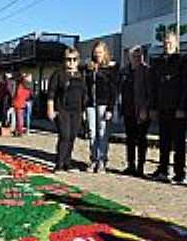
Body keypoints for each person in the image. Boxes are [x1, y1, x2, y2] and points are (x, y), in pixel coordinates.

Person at [148, 31, 187, 184]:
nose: (167, 45)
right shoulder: (158, 62)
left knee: (179, 143)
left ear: (176, 43)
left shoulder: (184, 61)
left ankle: (179, 173)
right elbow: (153, 86)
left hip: (178, 109)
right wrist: (153, 107)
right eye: (165, 42)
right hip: (163, 108)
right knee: (164, 142)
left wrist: (182, 107)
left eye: (170, 42)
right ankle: (163, 170)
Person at [47, 48, 87, 172]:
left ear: (77, 60)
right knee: (64, 135)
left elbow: (84, 94)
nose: (71, 62)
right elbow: (51, 93)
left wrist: (84, 111)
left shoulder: (81, 75)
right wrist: (50, 109)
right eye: (68, 59)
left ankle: (67, 163)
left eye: (74, 59)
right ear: (64, 60)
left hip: (77, 110)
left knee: (72, 136)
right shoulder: (58, 74)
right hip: (62, 109)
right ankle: (59, 163)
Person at [84, 41, 118, 173]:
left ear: (105, 52)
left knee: (102, 133)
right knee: (92, 132)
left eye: (100, 52)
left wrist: (110, 108)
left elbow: (113, 89)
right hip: (90, 104)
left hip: (104, 103)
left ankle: (102, 160)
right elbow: (85, 87)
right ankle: (93, 158)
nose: (97, 54)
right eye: (95, 52)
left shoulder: (110, 68)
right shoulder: (89, 67)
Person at [119, 46, 151, 177]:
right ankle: (130, 165)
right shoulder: (124, 71)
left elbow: (150, 92)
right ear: (129, 57)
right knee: (130, 139)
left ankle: (140, 167)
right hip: (128, 110)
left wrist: (145, 109)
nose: (137, 58)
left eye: (140, 55)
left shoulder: (147, 70)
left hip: (141, 111)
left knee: (141, 139)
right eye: (134, 56)